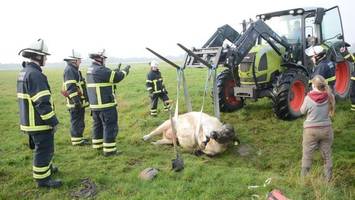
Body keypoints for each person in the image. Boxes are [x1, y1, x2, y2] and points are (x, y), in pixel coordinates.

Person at [17, 39, 62, 188]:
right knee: (44, 150)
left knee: (42, 148)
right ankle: (43, 180)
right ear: (38, 56)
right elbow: (42, 102)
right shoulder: (36, 75)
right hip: (39, 123)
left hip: (29, 121)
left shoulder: (24, 72)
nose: (46, 59)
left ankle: (46, 170)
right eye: (45, 56)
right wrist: (53, 122)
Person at [86, 49, 130, 156]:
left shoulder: (91, 69)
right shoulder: (100, 70)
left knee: (98, 126)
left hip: (95, 107)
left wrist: (114, 71)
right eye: (104, 59)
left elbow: (107, 77)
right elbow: (117, 77)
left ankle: (98, 145)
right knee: (110, 127)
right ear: (100, 58)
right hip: (106, 106)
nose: (105, 61)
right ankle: (110, 151)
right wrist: (125, 71)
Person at [300, 75, 335, 182]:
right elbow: (331, 111)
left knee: (307, 155)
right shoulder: (330, 96)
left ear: (314, 85)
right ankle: (328, 180)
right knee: (327, 155)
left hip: (311, 131)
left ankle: (303, 180)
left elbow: (302, 111)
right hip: (326, 129)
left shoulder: (308, 98)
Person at [62, 50, 90, 146]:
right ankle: (77, 141)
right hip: (75, 103)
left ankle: (79, 138)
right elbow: (71, 87)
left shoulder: (74, 70)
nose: (80, 62)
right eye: (79, 60)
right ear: (74, 61)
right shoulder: (70, 70)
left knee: (79, 121)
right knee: (76, 122)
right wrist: (76, 102)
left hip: (78, 102)